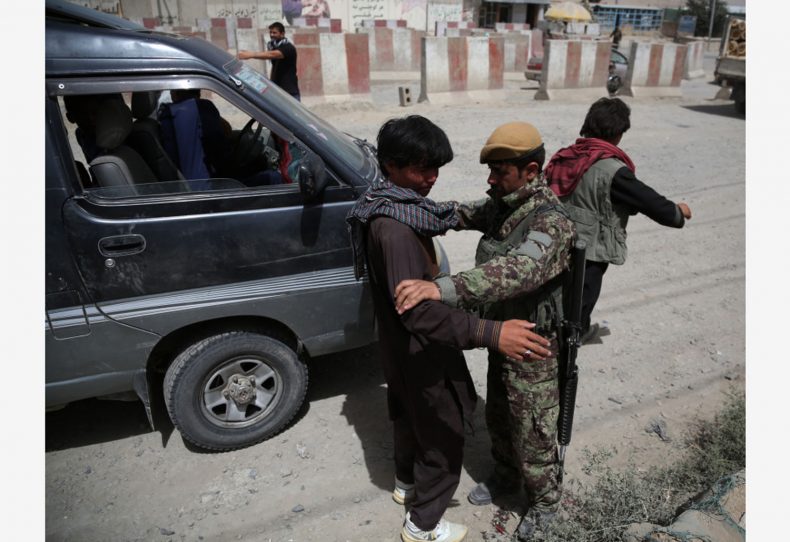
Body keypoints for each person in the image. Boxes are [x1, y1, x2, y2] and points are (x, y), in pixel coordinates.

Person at [346, 115, 553, 542]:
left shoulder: (384, 204)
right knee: (443, 433)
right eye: (421, 169)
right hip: (426, 349)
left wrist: (447, 282)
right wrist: (492, 332)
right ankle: (424, 524)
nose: (432, 179)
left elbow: (508, 263)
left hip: (415, 348)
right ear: (391, 165)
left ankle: (409, 485)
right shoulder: (398, 227)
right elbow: (420, 312)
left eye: (435, 168)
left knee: (412, 416)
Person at [393, 122, 576, 541]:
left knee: (532, 426)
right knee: (498, 414)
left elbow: (518, 271)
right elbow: (455, 213)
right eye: (490, 171)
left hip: (534, 344)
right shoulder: (503, 204)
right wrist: (398, 205)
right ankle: (506, 476)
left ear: (531, 170)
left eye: (500, 171)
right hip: (502, 331)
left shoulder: (552, 223)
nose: (491, 180)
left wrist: (442, 289)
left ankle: (546, 500)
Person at [543, 97, 692, 343]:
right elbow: (651, 202)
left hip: (554, 243)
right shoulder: (613, 170)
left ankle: (565, 334)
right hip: (588, 254)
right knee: (578, 307)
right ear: (619, 134)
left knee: (556, 299)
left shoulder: (566, 156)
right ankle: (567, 347)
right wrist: (678, 212)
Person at [238, 22, 300, 101]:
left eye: (274, 32)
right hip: (278, 88)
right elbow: (274, 66)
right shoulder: (273, 46)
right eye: (270, 32)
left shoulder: (288, 47)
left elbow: (272, 55)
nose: (272, 35)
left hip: (289, 89)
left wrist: (251, 54)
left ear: (282, 34)